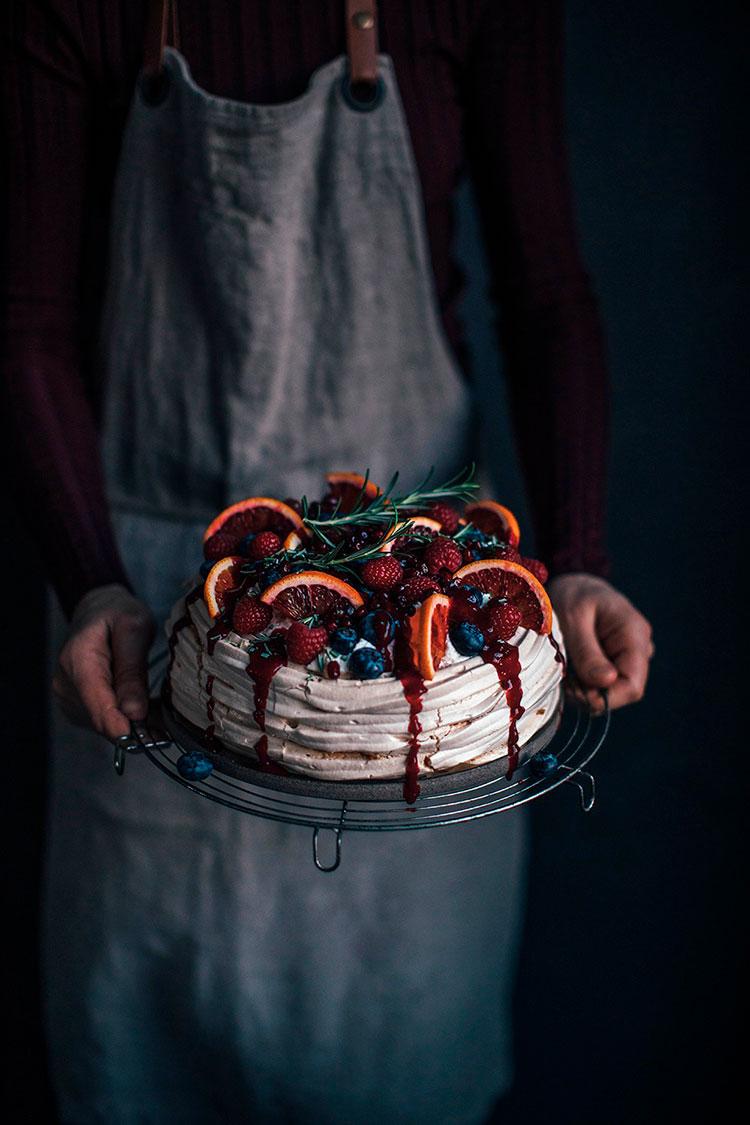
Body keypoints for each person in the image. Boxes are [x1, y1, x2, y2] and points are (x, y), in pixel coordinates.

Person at [2, 2, 654, 1122]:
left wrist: (579, 557)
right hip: (151, 615)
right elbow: (26, 321)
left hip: (429, 631)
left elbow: (549, 292)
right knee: (145, 1072)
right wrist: (89, 575)